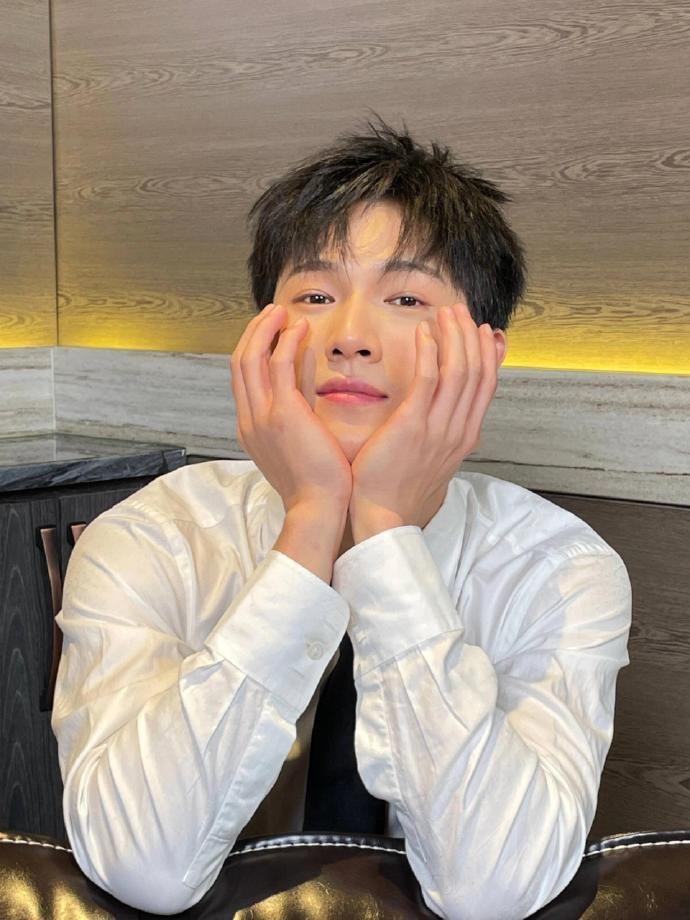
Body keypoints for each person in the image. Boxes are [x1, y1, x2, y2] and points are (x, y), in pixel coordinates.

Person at [51, 114, 632, 919]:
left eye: (406, 297)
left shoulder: (560, 570)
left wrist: (384, 531)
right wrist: (313, 521)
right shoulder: (155, 537)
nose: (350, 336)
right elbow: (142, 866)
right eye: (315, 296)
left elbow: (493, 890)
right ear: (261, 338)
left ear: (484, 354)